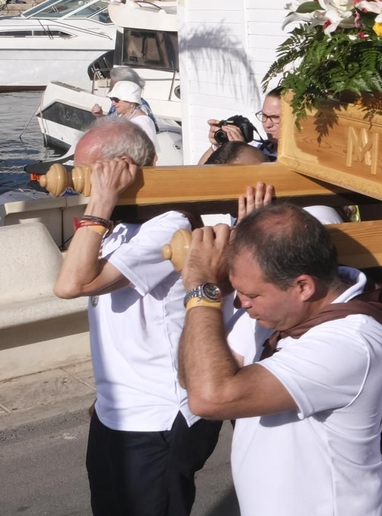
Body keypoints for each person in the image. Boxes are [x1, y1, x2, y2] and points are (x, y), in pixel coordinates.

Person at [176, 202, 382, 516]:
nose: (241, 303)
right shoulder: (274, 309)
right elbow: (193, 376)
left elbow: (209, 397)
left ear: (303, 286)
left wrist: (201, 291)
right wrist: (216, 295)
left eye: (251, 294)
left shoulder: (351, 341)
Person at [52, 117, 219, 516]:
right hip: (115, 411)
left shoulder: (168, 225)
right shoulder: (119, 224)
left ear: (121, 167)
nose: (78, 182)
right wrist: (106, 398)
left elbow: (72, 284)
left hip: (156, 417)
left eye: (87, 171)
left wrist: (100, 204)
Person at [92, 80, 161, 154]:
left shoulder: (143, 123)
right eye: (112, 99)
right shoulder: (122, 116)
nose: (112, 103)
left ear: (130, 101)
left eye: (116, 99)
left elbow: (151, 154)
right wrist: (99, 116)